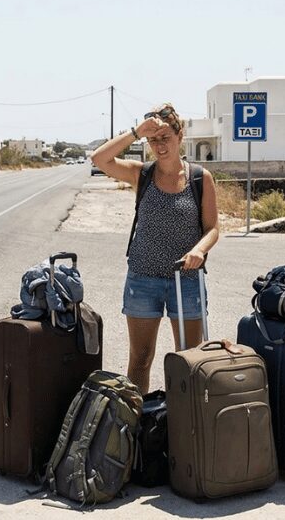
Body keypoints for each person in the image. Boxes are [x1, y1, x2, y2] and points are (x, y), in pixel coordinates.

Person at [90, 104, 220, 395]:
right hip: (143, 279)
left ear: (180, 136)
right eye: (153, 140)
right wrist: (136, 132)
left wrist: (199, 250)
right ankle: (137, 432)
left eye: (165, 138)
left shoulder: (200, 178)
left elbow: (213, 227)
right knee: (140, 360)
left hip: (186, 280)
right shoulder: (141, 175)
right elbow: (99, 158)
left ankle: (185, 431)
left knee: (188, 361)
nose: (159, 146)